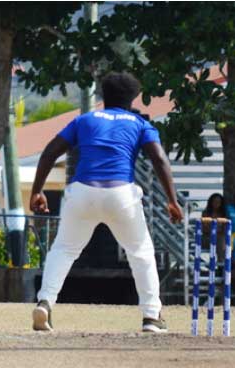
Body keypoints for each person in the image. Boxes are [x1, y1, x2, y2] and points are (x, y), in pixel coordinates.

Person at [28, 71, 183, 333]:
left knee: (64, 250)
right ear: (133, 98)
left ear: (103, 95)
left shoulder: (84, 120)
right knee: (141, 253)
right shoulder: (139, 124)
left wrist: (37, 191)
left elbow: (50, 152)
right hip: (120, 193)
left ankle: (45, 302)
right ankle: (151, 316)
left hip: (82, 193)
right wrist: (172, 199)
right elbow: (159, 159)